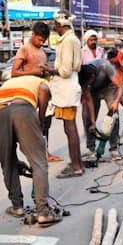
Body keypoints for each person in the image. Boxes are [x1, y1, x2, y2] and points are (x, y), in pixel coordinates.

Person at [0, 76, 62, 226]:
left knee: (7, 161)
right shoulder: (42, 82)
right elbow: (44, 91)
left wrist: (16, 162)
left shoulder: (11, 82)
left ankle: (17, 207)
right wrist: (41, 119)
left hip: (0, 112)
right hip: (23, 109)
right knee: (38, 163)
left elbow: (3, 152)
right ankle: (43, 212)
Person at [11, 22, 62, 163]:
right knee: (35, 125)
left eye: (44, 41)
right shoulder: (24, 50)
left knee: (46, 124)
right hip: (30, 93)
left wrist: (47, 71)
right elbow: (14, 72)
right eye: (40, 40)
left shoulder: (42, 51)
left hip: (44, 94)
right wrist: (33, 71)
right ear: (32, 34)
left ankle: (45, 152)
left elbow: (44, 73)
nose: (42, 43)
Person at [48, 10, 84, 179]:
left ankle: (76, 167)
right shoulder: (72, 39)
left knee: (70, 129)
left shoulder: (68, 41)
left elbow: (65, 70)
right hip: (67, 88)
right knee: (70, 129)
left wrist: (49, 70)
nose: (54, 27)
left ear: (61, 25)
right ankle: (76, 163)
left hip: (66, 88)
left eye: (56, 24)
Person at [79, 58, 123, 161]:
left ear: (93, 75)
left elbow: (120, 86)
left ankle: (114, 148)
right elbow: (89, 101)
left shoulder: (105, 66)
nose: (88, 84)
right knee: (87, 117)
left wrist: (116, 102)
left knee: (113, 116)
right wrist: (93, 121)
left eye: (89, 82)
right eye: (86, 84)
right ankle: (91, 149)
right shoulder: (83, 78)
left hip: (109, 87)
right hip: (93, 92)